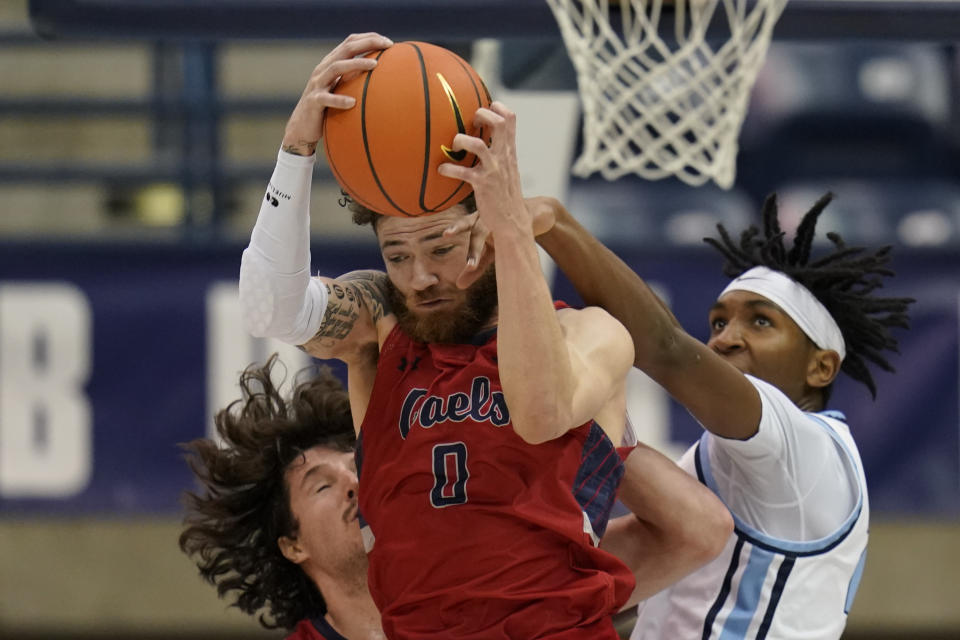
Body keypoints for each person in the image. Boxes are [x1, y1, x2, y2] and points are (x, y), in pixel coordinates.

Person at [238, 32, 731, 639]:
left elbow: (541, 409)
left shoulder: (590, 334)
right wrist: (296, 148)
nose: (419, 277)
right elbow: (271, 310)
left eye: (441, 246)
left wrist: (516, 229)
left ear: (488, 229)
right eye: (396, 254)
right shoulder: (381, 330)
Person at [478, 192, 912, 639]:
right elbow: (631, 567)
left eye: (760, 322)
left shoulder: (805, 449)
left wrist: (555, 224)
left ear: (820, 367)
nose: (726, 339)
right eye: (719, 323)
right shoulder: (721, 462)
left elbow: (665, 348)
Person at [179, 354, 384, 640]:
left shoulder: (461, 603)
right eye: (322, 486)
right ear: (293, 546)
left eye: (358, 468)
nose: (354, 483)